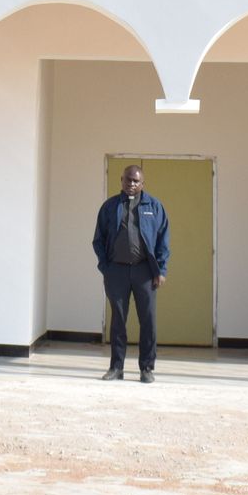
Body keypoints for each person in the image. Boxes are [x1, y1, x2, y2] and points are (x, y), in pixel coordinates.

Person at [91, 163, 169, 382]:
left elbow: (163, 240)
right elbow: (98, 240)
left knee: (148, 320)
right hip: (116, 271)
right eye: (128, 179)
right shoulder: (110, 207)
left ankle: (146, 368)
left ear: (142, 183)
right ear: (121, 180)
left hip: (145, 271)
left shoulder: (154, 206)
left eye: (136, 181)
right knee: (117, 320)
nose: (131, 184)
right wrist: (106, 268)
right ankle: (116, 367)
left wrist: (160, 270)